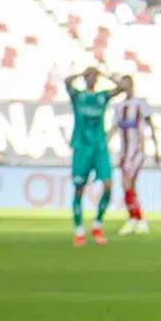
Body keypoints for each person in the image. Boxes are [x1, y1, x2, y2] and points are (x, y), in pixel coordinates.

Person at [64, 67, 127, 247]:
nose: (92, 78)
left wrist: (105, 74)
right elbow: (66, 81)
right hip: (81, 148)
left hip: (100, 148)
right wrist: (81, 73)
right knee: (79, 188)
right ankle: (79, 230)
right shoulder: (78, 96)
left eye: (94, 76)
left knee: (108, 185)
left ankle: (97, 224)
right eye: (89, 75)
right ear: (85, 78)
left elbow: (122, 87)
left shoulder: (102, 97)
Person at [110, 74, 160, 236]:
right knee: (129, 186)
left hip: (136, 151)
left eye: (126, 83)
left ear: (131, 84)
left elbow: (151, 126)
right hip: (124, 152)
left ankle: (136, 219)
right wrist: (104, 145)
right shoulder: (118, 106)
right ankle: (136, 219)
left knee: (128, 184)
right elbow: (113, 128)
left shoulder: (140, 104)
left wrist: (156, 149)